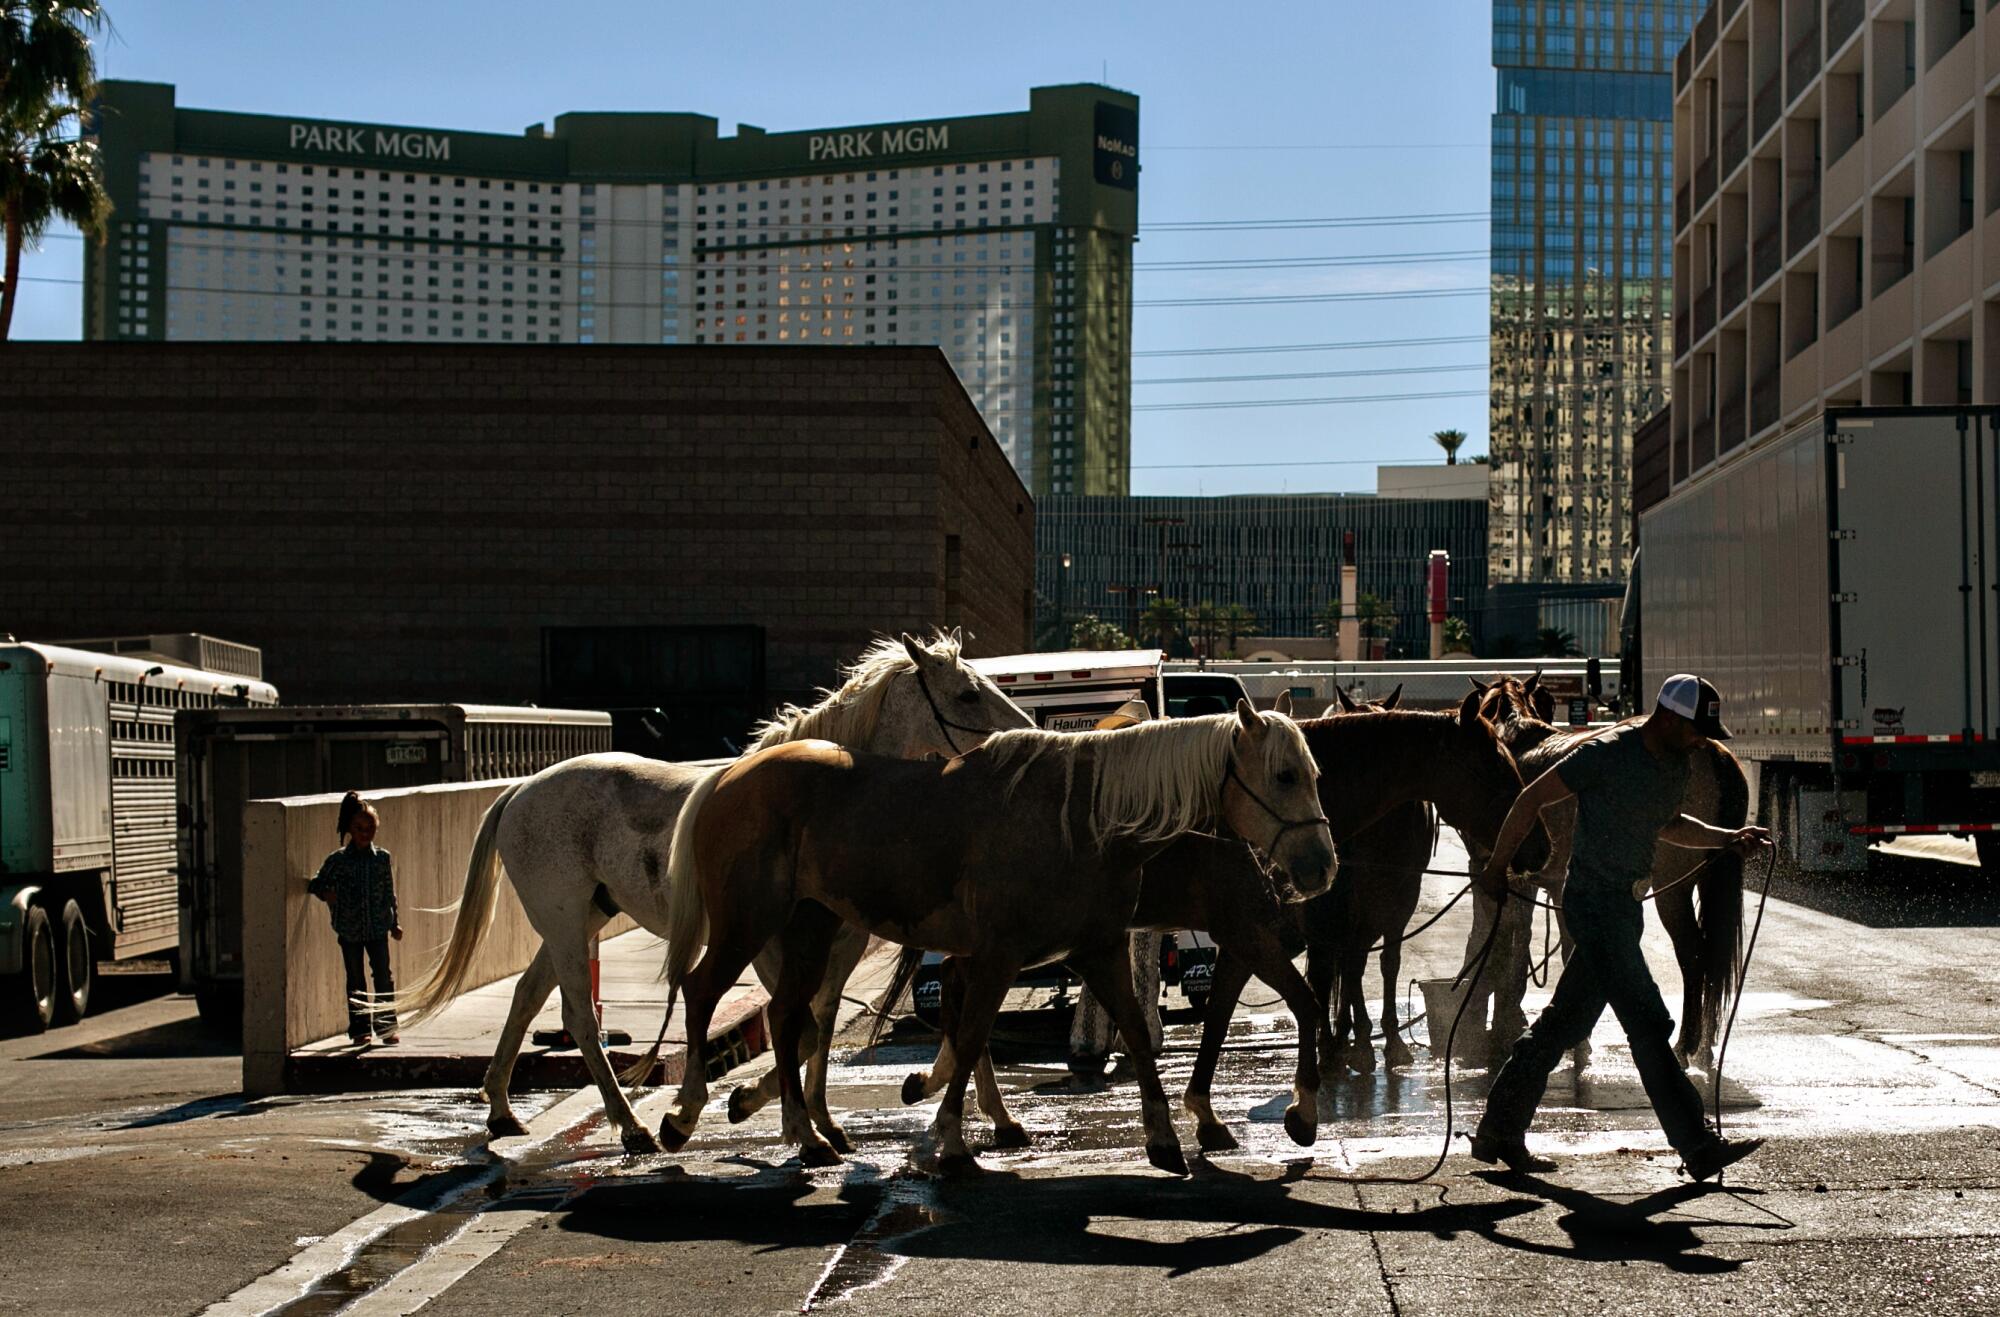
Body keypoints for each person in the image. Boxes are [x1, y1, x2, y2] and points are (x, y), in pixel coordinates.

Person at [1468, 674, 1771, 1182]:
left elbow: (1669, 823)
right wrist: (1497, 868)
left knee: (1561, 1026)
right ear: (1670, 718)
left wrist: (1726, 839)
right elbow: (1529, 800)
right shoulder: (1606, 752)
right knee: (1649, 1025)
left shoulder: (1674, 762)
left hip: (1624, 909)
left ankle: (1497, 1131)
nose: (1704, 740)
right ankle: (1696, 1145)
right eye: (1698, 729)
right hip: (1593, 906)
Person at [309, 791, 403, 1045]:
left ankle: (385, 1027)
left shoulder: (382, 858)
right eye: (360, 827)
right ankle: (360, 1028)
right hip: (349, 928)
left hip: (377, 927)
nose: (365, 832)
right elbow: (316, 883)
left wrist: (394, 923)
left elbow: (389, 892)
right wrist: (327, 894)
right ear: (350, 828)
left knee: (383, 976)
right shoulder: (338, 860)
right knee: (356, 979)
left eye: (370, 827)